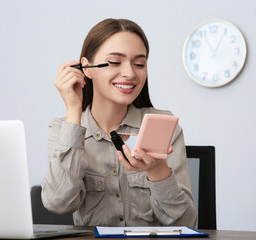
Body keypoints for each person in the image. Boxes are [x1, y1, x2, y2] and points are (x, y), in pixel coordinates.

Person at [41, 18, 197, 228]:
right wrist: (73, 110)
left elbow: (187, 224)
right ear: (86, 68)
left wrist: (158, 170)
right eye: (115, 62)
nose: (130, 73)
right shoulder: (63, 129)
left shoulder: (164, 126)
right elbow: (59, 203)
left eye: (139, 64)